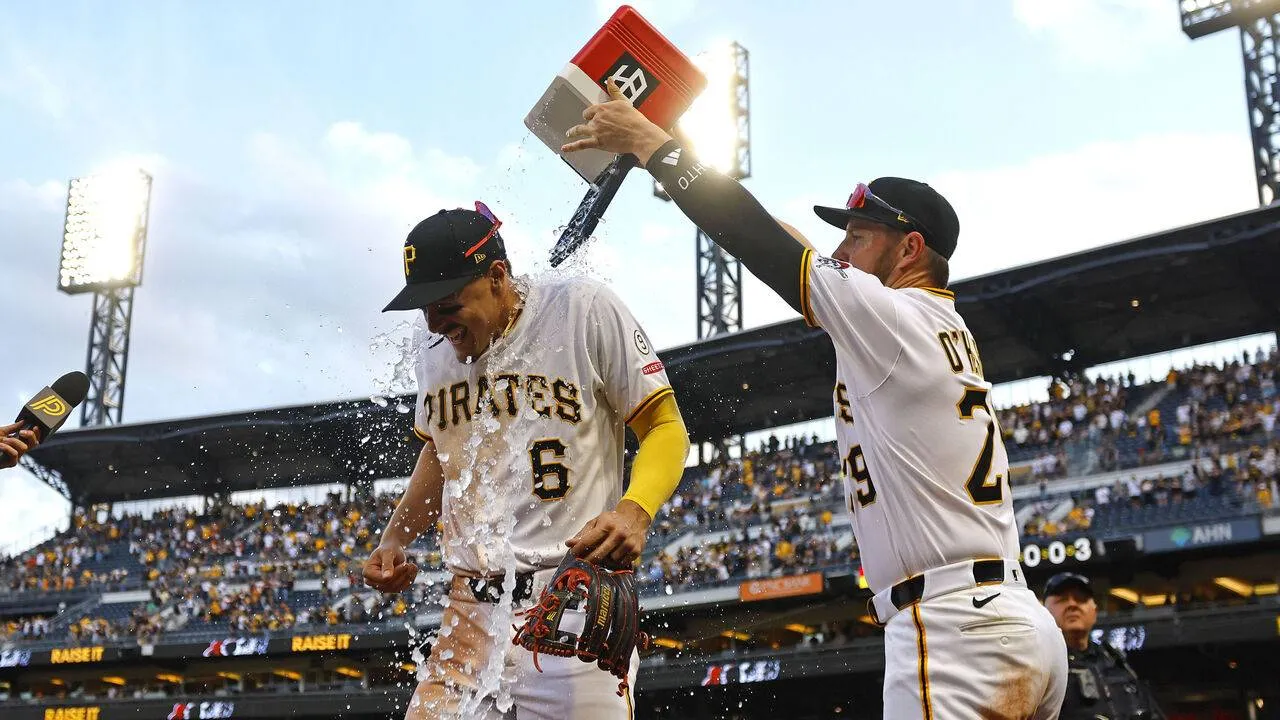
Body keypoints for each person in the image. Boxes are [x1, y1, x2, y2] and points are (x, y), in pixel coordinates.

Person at [563, 81, 1068, 718]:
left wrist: (654, 147)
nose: (839, 251)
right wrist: (686, 148)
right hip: (1016, 620)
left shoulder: (890, 318)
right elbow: (788, 239)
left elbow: (763, 244)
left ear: (909, 248)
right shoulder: (934, 323)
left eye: (858, 237)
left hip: (954, 628)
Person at [362, 202, 690, 719]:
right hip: (469, 611)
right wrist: (395, 537)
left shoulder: (582, 308)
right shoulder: (434, 349)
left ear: (497, 276)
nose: (433, 321)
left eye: (447, 302)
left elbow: (665, 426)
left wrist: (635, 509)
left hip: (570, 598)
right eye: (423, 306)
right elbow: (442, 450)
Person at [1043, 573, 1165, 719]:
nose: (1072, 604)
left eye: (1081, 599)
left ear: (1094, 612)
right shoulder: (1039, 665)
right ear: (1043, 612)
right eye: (1062, 600)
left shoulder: (1116, 662)